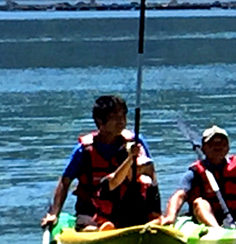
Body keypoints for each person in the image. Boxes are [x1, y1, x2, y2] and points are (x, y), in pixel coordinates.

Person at [42, 93, 159, 231]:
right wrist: (54, 213)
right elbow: (65, 181)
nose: (121, 122)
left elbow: (151, 174)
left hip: (126, 205)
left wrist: (154, 212)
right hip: (91, 206)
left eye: (123, 116)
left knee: (143, 183)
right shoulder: (84, 150)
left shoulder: (135, 143)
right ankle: (100, 230)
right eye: (115, 118)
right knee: (87, 225)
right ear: (100, 122)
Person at [166, 125, 236, 227]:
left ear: (228, 147)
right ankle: (218, 231)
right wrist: (170, 216)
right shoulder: (195, 172)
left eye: (222, 143)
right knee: (200, 202)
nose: (218, 146)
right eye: (213, 144)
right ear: (204, 148)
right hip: (209, 216)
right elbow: (179, 195)